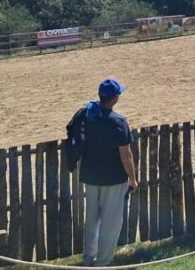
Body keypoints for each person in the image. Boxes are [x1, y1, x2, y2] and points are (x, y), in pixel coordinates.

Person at [73, 79, 138, 267]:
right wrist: (132, 178)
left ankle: (89, 258)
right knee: (110, 222)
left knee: (92, 219)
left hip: (91, 177)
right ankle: (103, 262)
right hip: (113, 179)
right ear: (115, 98)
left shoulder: (88, 116)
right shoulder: (118, 121)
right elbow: (126, 156)